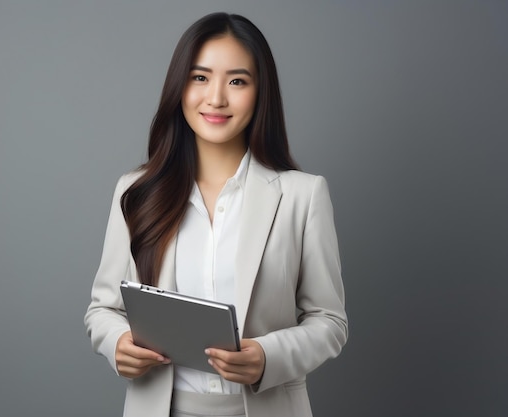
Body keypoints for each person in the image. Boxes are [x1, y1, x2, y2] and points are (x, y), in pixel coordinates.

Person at [84, 12, 348, 417]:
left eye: (237, 81)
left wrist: (267, 356)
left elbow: (329, 321)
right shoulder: (136, 191)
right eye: (200, 77)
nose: (217, 98)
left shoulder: (302, 195)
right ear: (180, 86)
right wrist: (118, 343)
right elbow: (103, 309)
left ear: (261, 93)